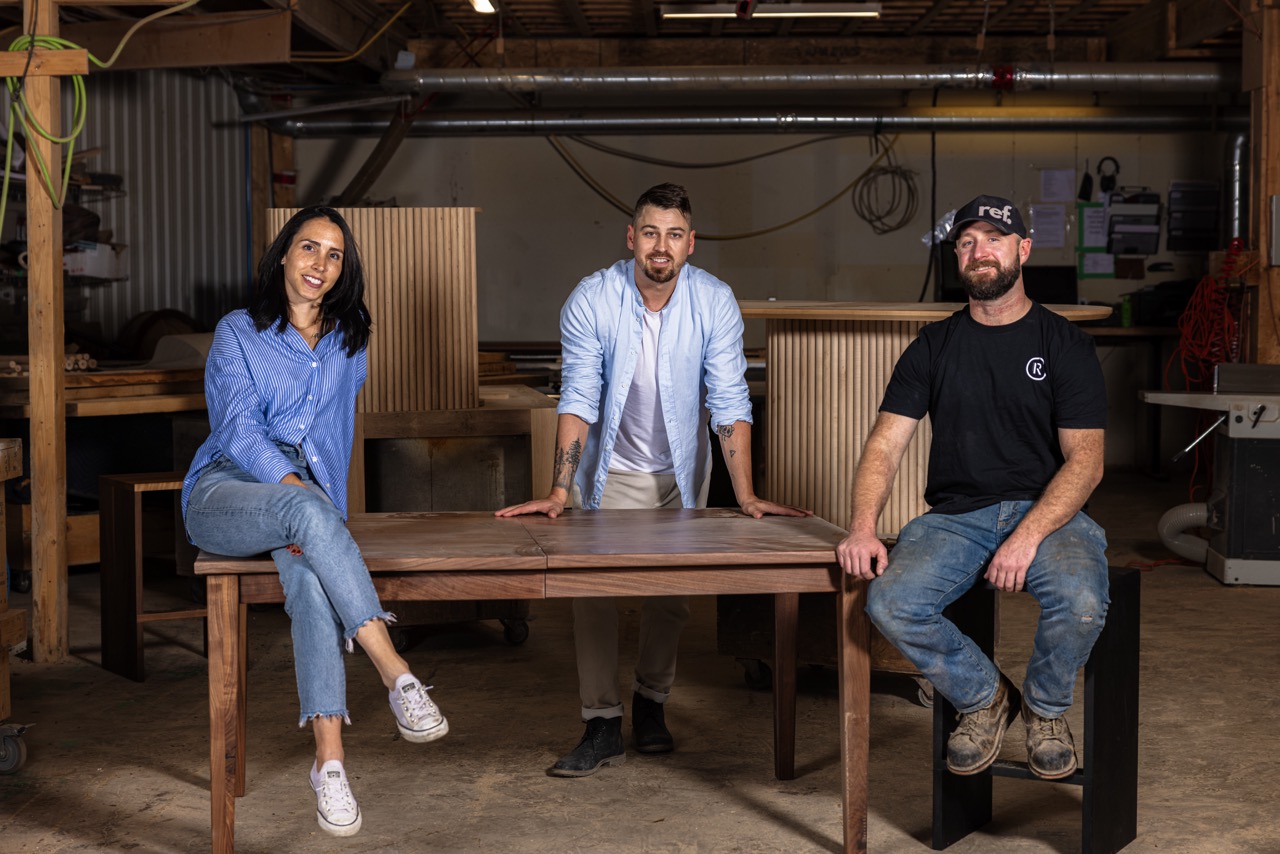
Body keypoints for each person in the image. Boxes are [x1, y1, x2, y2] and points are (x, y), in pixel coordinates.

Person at [497, 182, 809, 778]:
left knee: (672, 600)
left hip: (680, 475)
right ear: (631, 238)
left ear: (690, 244)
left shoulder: (714, 301)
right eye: (649, 232)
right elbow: (580, 395)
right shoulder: (592, 297)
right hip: (608, 472)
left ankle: (651, 704)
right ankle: (601, 722)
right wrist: (561, 489)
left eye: (672, 235)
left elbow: (728, 400)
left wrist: (742, 494)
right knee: (592, 597)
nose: (659, 246)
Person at [182, 206, 448, 837]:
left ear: (341, 270)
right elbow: (239, 430)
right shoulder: (238, 331)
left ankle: (329, 765)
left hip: (304, 498)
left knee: (309, 583)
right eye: (308, 248)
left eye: (333, 256)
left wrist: (328, 525)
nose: (319, 265)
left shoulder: (349, 337)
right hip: (226, 488)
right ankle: (394, 670)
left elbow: (335, 435)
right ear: (283, 256)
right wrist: (305, 497)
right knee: (305, 513)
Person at [835, 194, 1109, 781]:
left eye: (993, 239)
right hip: (956, 516)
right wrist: (861, 526)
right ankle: (985, 697)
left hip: (1049, 512)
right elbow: (885, 445)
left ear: (1023, 250)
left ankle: (1045, 711)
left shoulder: (1064, 344)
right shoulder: (933, 346)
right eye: (966, 242)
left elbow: (1085, 463)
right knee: (891, 603)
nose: (979, 251)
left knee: (1082, 604)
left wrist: (1027, 536)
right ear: (956, 257)